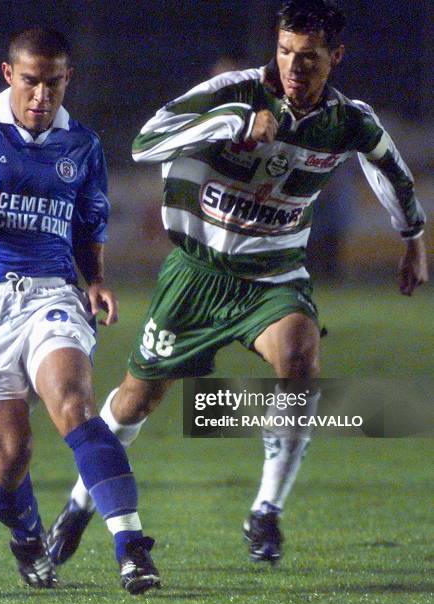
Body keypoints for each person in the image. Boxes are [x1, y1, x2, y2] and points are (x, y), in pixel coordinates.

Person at [47, 0, 428, 568]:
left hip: (273, 275)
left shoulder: (349, 120)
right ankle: (80, 504)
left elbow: (388, 164)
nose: (294, 68)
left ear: (336, 58)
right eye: (285, 52)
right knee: (136, 401)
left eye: (310, 58)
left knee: (299, 362)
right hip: (197, 274)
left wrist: (412, 238)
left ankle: (266, 510)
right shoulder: (236, 92)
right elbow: (145, 142)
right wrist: (232, 125)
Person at [0, 28, 160, 594]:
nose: (42, 95)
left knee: (74, 402)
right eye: (32, 81)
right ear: (8, 75)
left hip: (51, 293)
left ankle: (131, 547)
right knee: (7, 455)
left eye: (55, 82)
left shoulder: (81, 146)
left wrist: (98, 281)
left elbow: (90, 225)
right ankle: (28, 536)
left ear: (69, 80)